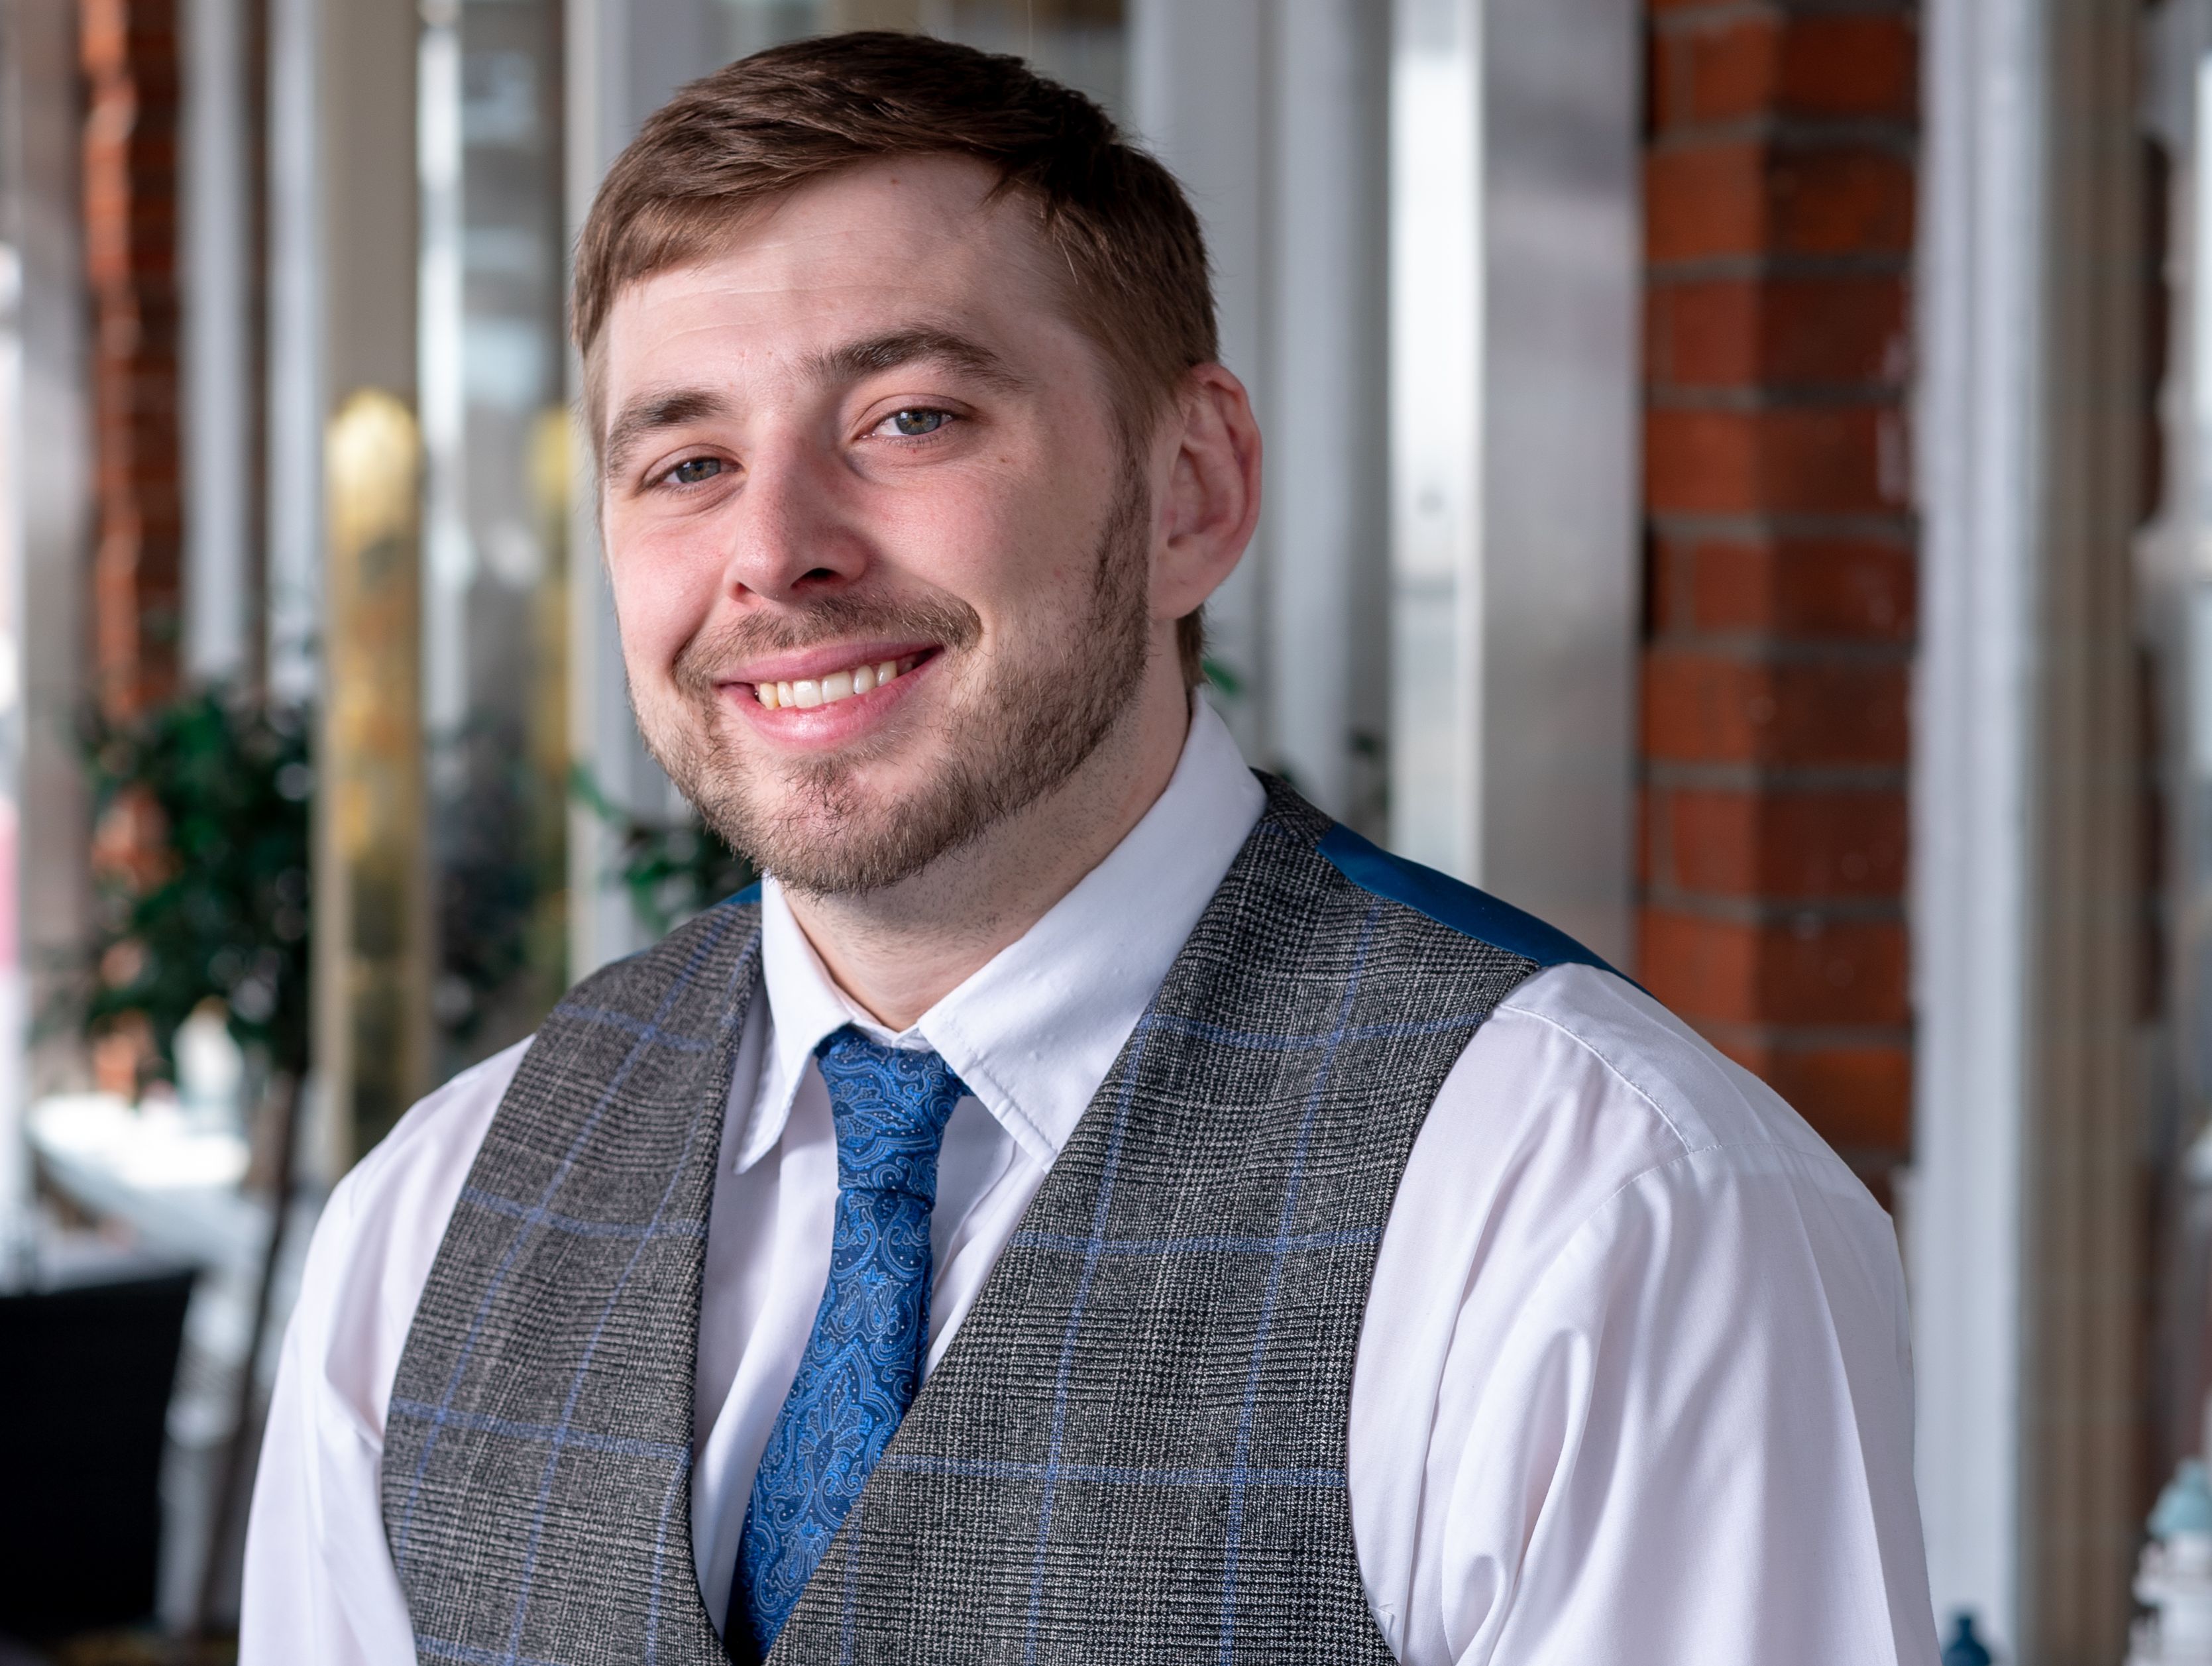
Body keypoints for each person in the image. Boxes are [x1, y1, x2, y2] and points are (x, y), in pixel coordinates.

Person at [240, 30, 1936, 1666]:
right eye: (686, 462)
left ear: (1192, 487)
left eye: (908, 419)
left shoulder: (1597, 1213)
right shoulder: (435, 1215)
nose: (773, 554)